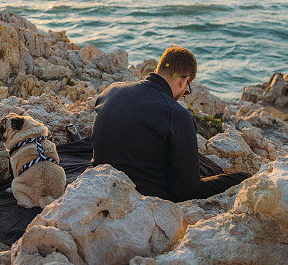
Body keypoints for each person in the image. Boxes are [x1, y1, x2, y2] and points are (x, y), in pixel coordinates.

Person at [91, 46, 249, 202]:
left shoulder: (112, 91)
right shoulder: (177, 115)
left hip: (101, 181)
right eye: (187, 90)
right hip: (145, 197)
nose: (183, 94)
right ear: (184, 81)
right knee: (243, 177)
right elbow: (187, 189)